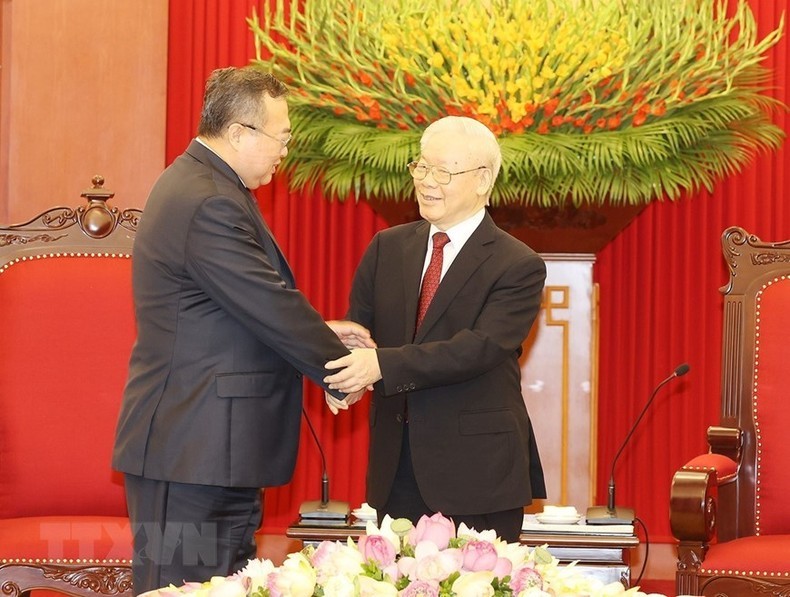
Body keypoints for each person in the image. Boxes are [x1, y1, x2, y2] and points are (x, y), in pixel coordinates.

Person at [112, 66, 370, 594]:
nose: (286, 150)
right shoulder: (208, 198)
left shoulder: (206, 184)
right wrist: (340, 371)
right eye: (282, 137)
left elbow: (235, 307)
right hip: (191, 450)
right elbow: (268, 303)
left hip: (210, 449)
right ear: (238, 133)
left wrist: (320, 330)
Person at [324, 116, 547, 543]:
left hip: (477, 473)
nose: (427, 181)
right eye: (421, 167)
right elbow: (360, 333)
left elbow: (478, 348)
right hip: (396, 467)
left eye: (443, 172)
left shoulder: (517, 264)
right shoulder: (387, 248)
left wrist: (379, 366)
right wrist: (345, 375)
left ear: (483, 180)